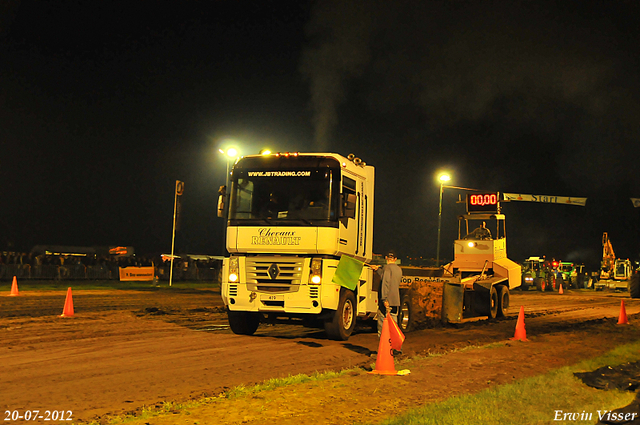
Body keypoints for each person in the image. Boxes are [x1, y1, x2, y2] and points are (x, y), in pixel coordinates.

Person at [374, 250, 402, 337]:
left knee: (382, 327)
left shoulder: (386, 268)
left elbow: (385, 283)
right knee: (394, 326)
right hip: (395, 301)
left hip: (386, 302)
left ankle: (384, 349)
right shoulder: (399, 270)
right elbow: (390, 278)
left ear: (386, 258)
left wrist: (384, 299)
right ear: (395, 259)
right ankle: (397, 348)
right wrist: (378, 269)